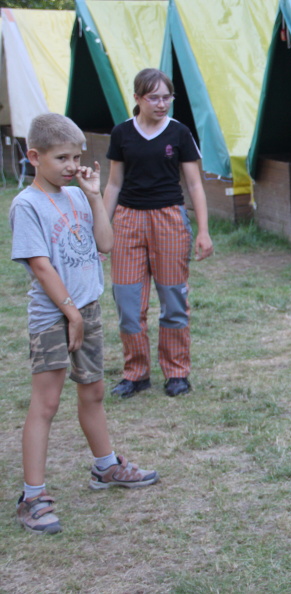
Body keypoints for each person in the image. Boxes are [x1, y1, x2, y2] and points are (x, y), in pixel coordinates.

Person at [10, 114, 159, 534]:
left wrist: (94, 198)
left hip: (86, 310)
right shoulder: (27, 205)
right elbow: (41, 266)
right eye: (62, 158)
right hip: (54, 316)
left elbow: (105, 244)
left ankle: (105, 467)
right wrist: (71, 314)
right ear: (34, 156)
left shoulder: (77, 195)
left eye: (76, 157)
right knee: (46, 404)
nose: (72, 166)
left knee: (93, 392)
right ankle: (32, 497)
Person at [104, 68, 213, 398]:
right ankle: (136, 373)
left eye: (167, 97)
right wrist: (102, 230)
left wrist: (204, 231)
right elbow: (113, 184)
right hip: (128, 221)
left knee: (173, 300)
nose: (162, 104)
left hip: (169, 220)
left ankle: (177, 373)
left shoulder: (179, 133)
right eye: (154, 98)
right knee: (128, 303)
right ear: (137, 98)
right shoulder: (122, 133)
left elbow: (194, 184)